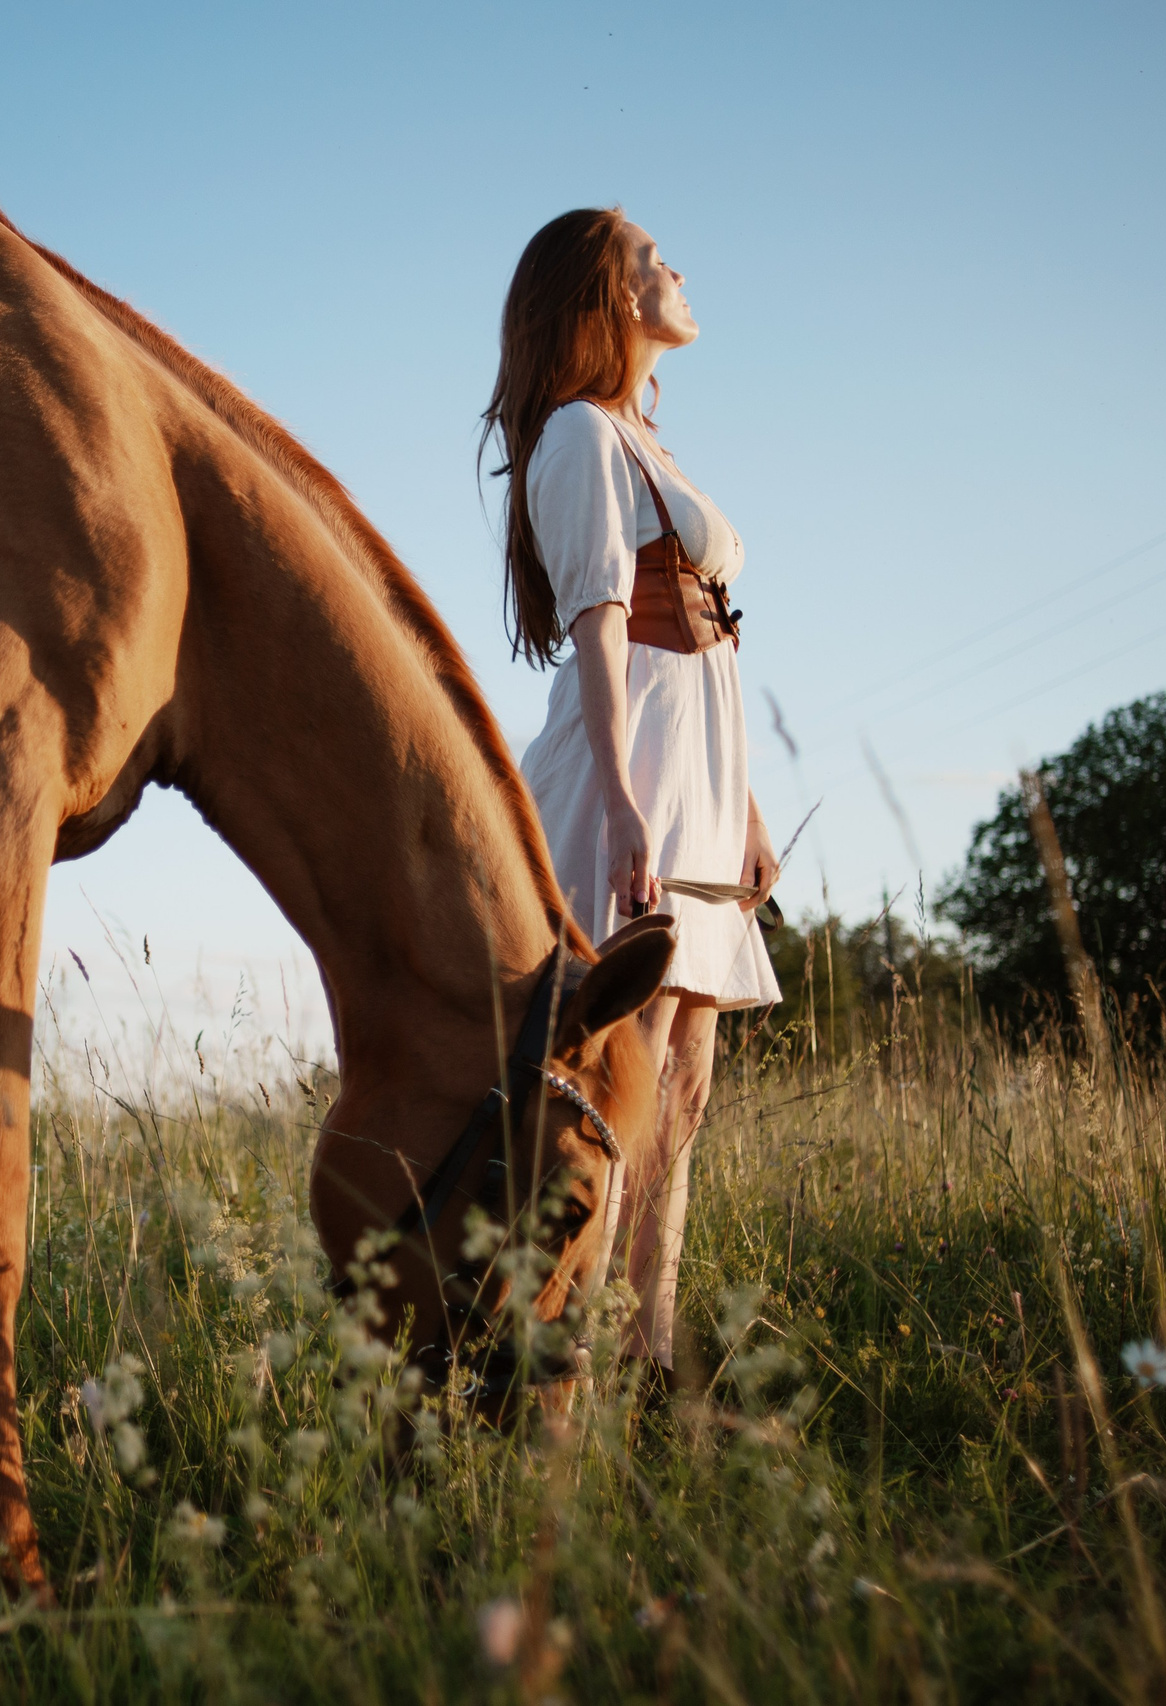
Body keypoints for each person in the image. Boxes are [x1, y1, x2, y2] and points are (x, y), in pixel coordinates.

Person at [484, 206, 781, 1386]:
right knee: (629, 1075)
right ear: (605, 299)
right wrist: (616, 796)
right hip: (641, 757)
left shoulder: (639, 438)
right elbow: (602, 622)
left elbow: (715, 636)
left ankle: (652, 1358)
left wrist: (747, 805)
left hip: (702, 762)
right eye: (651, 260)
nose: (676, 269)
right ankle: (572, 1358)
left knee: (688, 1085)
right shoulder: (574, 438)